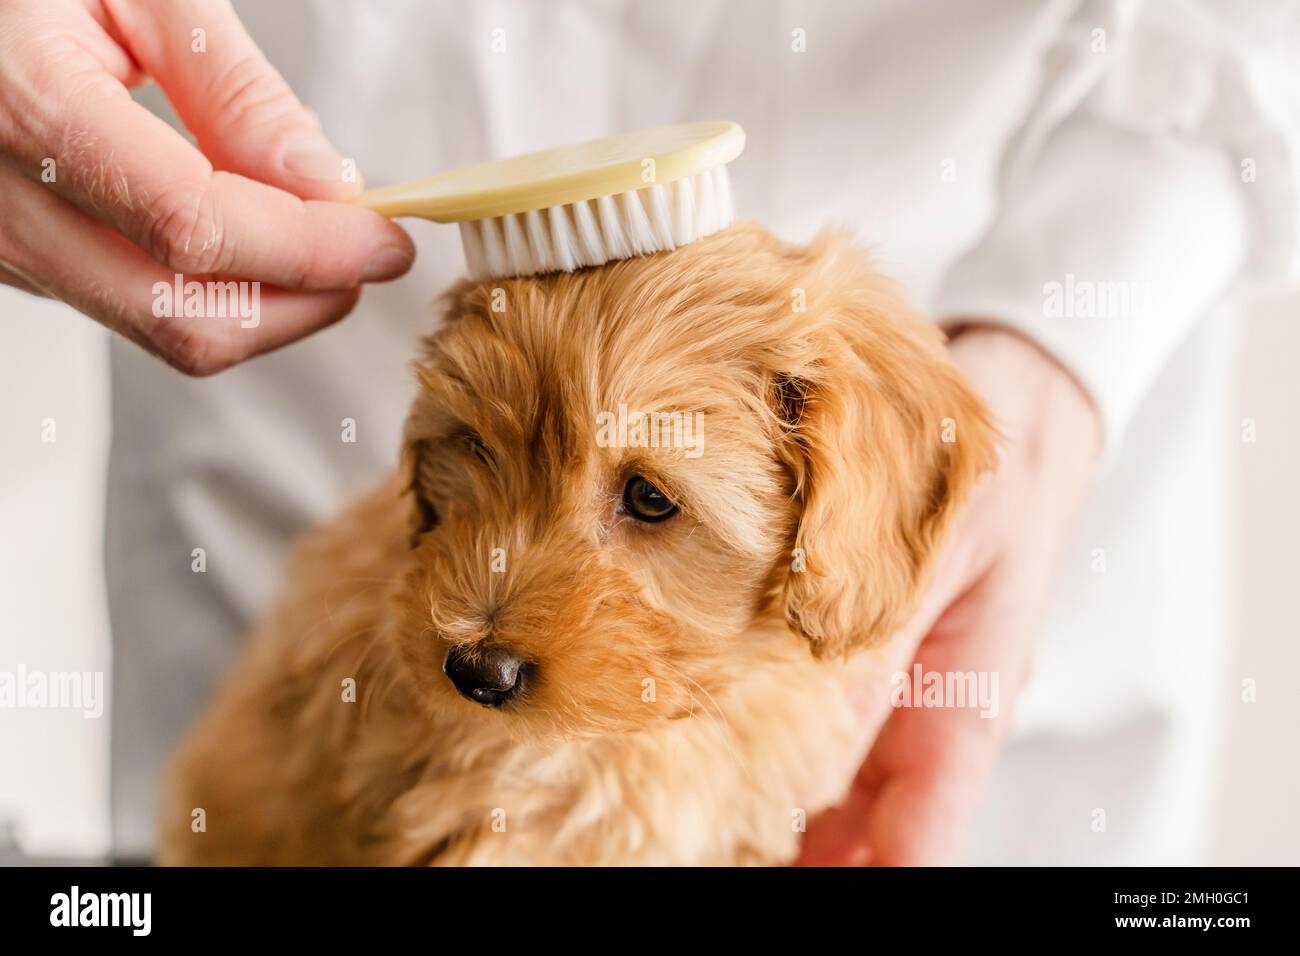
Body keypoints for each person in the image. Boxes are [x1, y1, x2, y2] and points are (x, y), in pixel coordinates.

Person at [1, 0, 1293, 864]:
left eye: (653, 503)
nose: (490, 623)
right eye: (466, 465)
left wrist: (1071, 328)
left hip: (1017, 270)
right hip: (287, 318)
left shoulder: (866, 448)